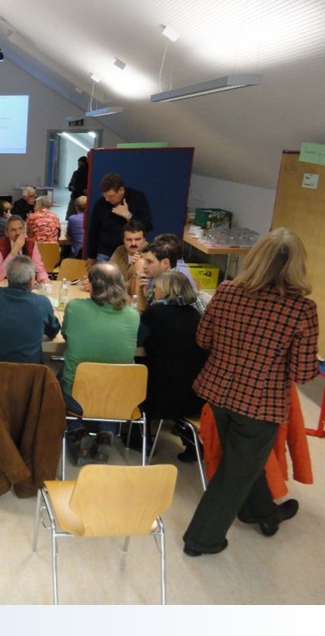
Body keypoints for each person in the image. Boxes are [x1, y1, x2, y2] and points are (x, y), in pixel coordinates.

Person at [183, 229, 319, 556]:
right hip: (260, 403)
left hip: (219, 391)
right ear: (297, 265)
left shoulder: (228, 291)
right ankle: (201, 540)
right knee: (235, 471)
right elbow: (302, 374)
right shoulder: (301, 309)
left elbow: (203, 339)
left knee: (243, 462)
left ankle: (263, 514)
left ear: (256, 257)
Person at [60, 263, 139, 463]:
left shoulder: (75, 308)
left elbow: (66, 335)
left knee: (59, 377)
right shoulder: (133, 316)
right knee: (111, 379)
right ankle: (106, 433)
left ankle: (78, 431)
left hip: (78, 397)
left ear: (92, 286)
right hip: (120, 398)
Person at [136, 271, 208, 456]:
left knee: (138, 368)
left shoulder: (154, 313)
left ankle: (141, 438)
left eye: (156, 288)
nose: (153, 291)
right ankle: (191, 444)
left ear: (166, 290)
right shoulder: (196, 315)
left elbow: (137, 341)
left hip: (158, 396)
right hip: (194, 396)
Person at [0, 255, 60, 365]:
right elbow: (53, 330)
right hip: (28, 371)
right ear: (31, 281)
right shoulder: (42, 303)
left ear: (8, 277)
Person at [86, 172, 153, 265]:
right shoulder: (100, 204)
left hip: (133, 251)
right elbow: (94, 231)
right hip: (106, 252)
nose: (107, 199)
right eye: (105, 196)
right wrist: (91, 256)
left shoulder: (138, 198)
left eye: (111, 196)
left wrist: (128, 215)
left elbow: (148, 227)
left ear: (121, 190)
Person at [135, 234, 203, 311]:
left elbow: (151, 314)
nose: (144, 266)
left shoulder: (175, 282)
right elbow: (146, 311)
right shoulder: (158, 277)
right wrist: (140, 290)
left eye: (149, 262)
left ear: (165, 263)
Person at [0, 216, 49, 284]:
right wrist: (13, 252)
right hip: (6, 284)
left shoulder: (31, 244)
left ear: (24, 230)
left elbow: (39, 268)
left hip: (26, 284)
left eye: (20, 229)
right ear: (7, 233)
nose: (18, 233)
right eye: (13, 230)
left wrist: (43, 279)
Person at [107, 219, 148, 292]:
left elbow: (135, 289)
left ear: (144, 239)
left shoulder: (151, 255)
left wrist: (136, 266)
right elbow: (107, 275)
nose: (133, 244)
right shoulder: (120, 250)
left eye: (137, 239)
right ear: (123, 240)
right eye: (129, 240)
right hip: (118, 295)